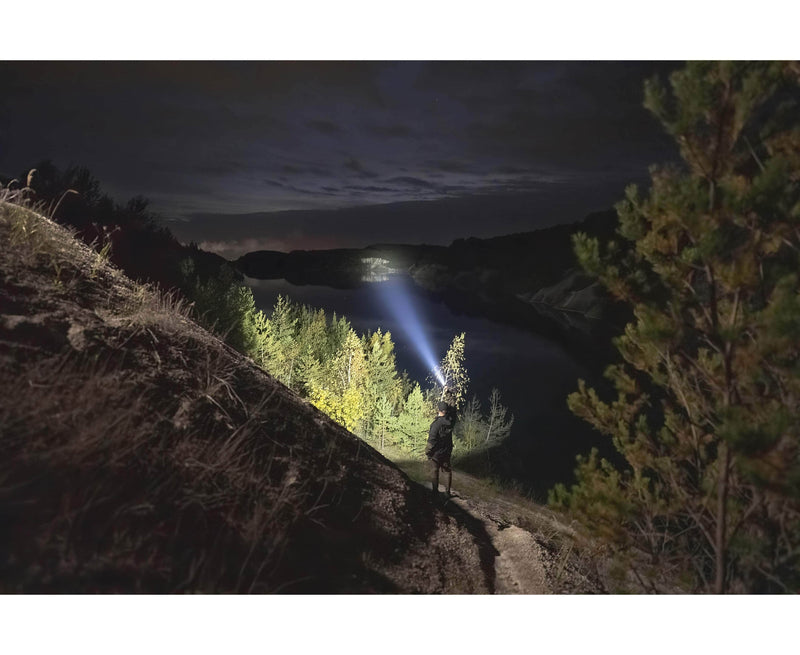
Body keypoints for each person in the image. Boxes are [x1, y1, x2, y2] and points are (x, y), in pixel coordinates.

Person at [426, 400, 454, 498]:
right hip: (446, 451)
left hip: (436, 453)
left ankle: (434, 493)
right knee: (447, 471)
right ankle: (447, 492)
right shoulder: (450, 422)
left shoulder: (436, 424)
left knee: (434, 471)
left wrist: (428, 451)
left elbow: (432, 440)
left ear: (439, 410)